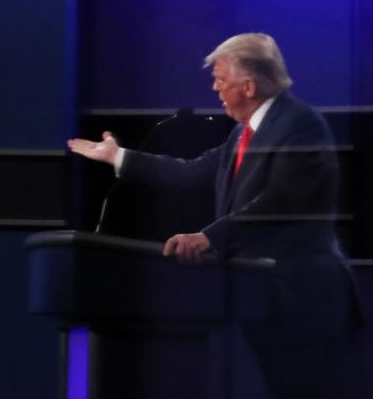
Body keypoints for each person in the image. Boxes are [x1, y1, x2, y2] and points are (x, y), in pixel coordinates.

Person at [68, 33, 361, 399]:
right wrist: (117, 156)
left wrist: (208, 238)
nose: (215, 88)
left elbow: (279, 202)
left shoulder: (301, 124)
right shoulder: (243, 132)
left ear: (249, 86)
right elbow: (191, 172)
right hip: (263, 301)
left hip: (305, 303)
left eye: (222, 80)